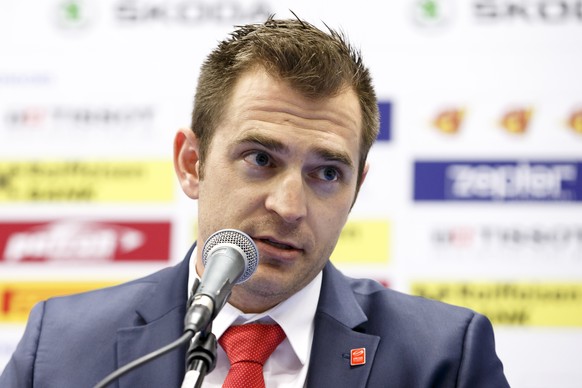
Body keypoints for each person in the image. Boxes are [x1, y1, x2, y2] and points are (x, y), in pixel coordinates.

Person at [0, 16, 510, 387]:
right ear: (190, 163)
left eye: (327, 172)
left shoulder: (445, 357)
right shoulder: (60, 346)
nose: (289, 206)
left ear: (355, 191)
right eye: (261, 159)